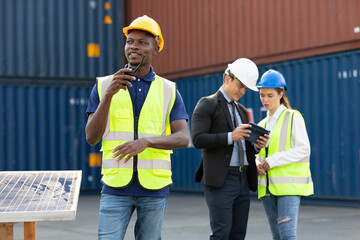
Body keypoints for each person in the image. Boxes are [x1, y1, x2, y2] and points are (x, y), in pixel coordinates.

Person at [85, 15, 189, 240]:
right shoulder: (104, 86)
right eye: (130, 41)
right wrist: (108, 96)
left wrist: (147, 141)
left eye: (143, 42)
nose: (134, 46)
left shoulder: (169, 90)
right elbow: (91, 137)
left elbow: (183, 138)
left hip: (154, 189)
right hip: (115, 187)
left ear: (156, 48)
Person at [191, 58, 269, 240]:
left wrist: (256, 148)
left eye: (245, 88)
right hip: (221, 180)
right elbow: (197, 138)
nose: (242, 91)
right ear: (227, 77)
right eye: (240, 86)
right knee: (221, 234)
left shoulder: (242, 111)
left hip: (242, 178)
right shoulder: (207, 104)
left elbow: (243, 145)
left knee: (238, 234)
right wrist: (230, 136)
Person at [256, 69, 314, 240]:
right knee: (276, 236)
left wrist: (272, 161)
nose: (265, 100)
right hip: (266, 187)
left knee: (287, 236)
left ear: (281, 93)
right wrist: (257, 164)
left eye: (270, 95)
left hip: (288, 186)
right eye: (262, 95)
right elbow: (259, 154)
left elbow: (304, 149)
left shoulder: (292, 117)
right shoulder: (262, 123)